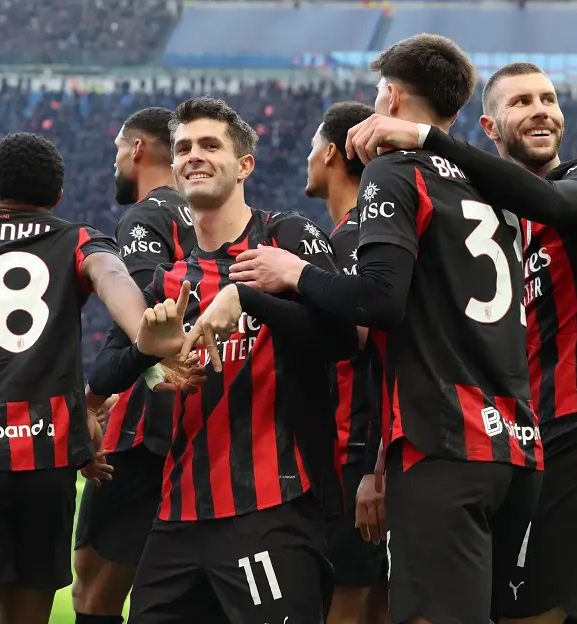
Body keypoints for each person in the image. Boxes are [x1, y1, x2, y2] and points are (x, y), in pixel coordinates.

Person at [228, 35, 543, 624]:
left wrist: (294, 272)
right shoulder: (491, 183)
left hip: (444, 443)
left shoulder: (394, 171)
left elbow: (378, 299)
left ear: (392, 99)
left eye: (377, 95)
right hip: (515, 444)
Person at [345, 61, 577, 624]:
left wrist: (427, 137)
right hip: (515, 442)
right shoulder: (487, 214)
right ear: (488, 127)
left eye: (548, 99)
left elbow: (556, 205)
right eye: (521, 102)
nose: (540, 111)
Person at [0, 132, 194, 624]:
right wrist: (144, 331)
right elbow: (111, 275)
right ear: (57, 197)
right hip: (44, 463)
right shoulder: (78, 239)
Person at [86, 97, 358, 624]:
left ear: (244, 165)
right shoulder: (169, 280)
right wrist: (149, 353)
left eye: (211, 145)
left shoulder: (285, 237)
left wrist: (248, 298)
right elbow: (103, 372)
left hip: (272, 508)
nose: (194, 155)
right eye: (184, 147)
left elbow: (342, 339)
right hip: (177, 518)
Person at [73, 107, 196, 624]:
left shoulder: (146, 216)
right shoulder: (205, 214)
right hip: (200, 427)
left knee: (93, 588)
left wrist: (97, 396)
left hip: (145, 432)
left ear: (138, 149)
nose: (115, 162)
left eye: (118, 150)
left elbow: (146, 315)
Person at [304, 100, 390, 624]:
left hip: (354, 451)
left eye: (313, 146)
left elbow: (358, 336)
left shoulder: (354, 238)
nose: (308, 157)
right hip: (371, 452)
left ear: (332, 153)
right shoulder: (367, 234)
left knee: (342, 602)